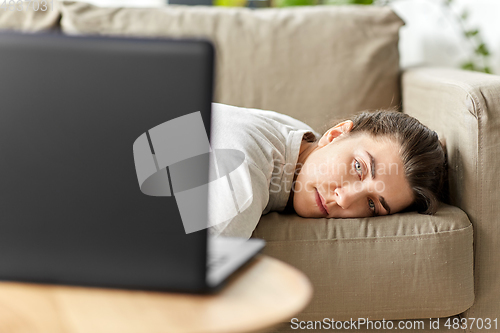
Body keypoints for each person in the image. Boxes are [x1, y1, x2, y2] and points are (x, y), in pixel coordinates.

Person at [208, 103, 446, 239]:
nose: (344, 200)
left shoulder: (299, 138)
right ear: (334, 134)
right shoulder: (242, 185)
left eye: (372, 205)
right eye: (358, 167)